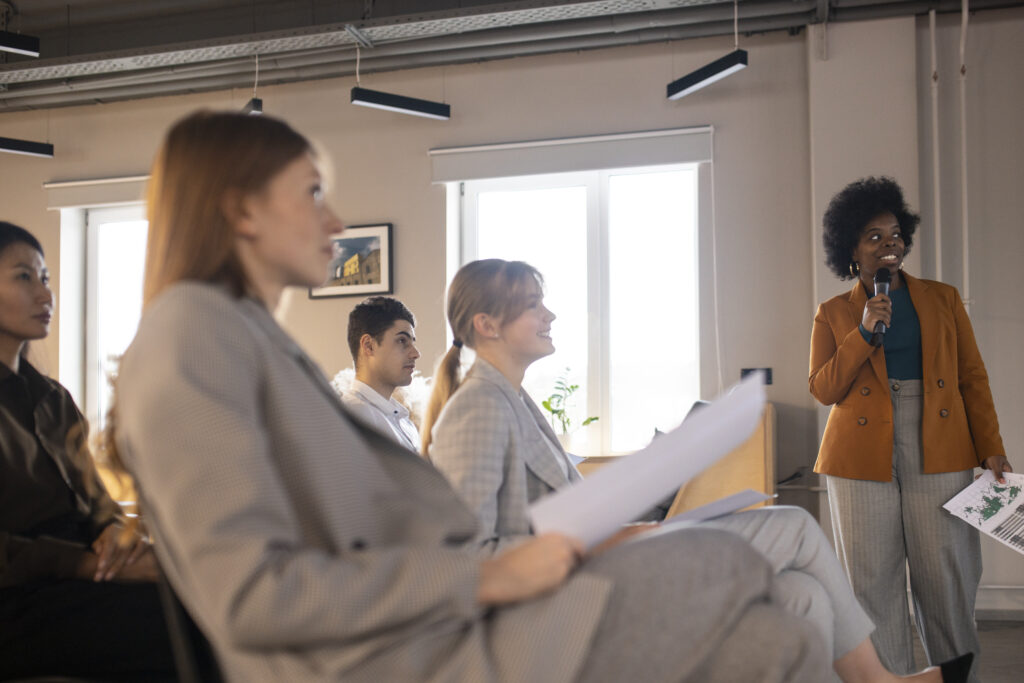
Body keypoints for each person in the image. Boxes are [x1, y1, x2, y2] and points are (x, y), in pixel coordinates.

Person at [110, 110, 835, 682]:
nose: (335, 222)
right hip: (397, 656)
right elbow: (254, 595)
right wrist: (485, 575)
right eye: (313, 193)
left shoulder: (243, 337)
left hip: (427, 626)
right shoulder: (192, 338)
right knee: (729, 565)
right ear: (241, 210)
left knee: (779, 631)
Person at [424, 257, 973, 683]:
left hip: (605, 557)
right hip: (569, 594)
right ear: (486, 324)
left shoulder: (516, 401)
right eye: (534, 305)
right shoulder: (476, 408)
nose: (550, 315)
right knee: (795, 525)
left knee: (803, 595)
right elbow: (463, 564)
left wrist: (628, 525)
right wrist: (593, 542)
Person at [810, 176, 1012, 683]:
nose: (889, 244)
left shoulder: (943, 299)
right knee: (870, 582)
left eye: (896, 234)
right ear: (852, 251)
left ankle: (957, 676)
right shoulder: (834, 312)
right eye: (874, 237)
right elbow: (823, 388)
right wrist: (862, 333)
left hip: (939, 441)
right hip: (858, 453)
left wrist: (992, 448)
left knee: (946, 574)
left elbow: (971, 376)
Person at [0, 221, 175, 680]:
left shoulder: (52, 398)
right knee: (171, 622)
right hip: (19, 598)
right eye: (24, 277)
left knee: (211, 593)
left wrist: (118, 539)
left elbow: (98, 504)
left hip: (79, 576)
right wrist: (82, 563)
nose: (45, 295)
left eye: (46, 279)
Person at [340, 295, 421, 450]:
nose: (415, 353)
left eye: (412, 342)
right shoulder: (355, 417)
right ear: (369, 346)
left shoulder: (403, 420)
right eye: (402, 341)